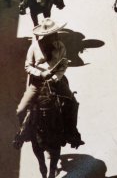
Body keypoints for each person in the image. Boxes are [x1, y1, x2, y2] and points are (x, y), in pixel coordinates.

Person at [15, 18, 83, 148]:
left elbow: (63, 65)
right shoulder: (34, 47)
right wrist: (40, 73)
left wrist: (56, 77)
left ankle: (71, 133)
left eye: (56, 33)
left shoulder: (60, 46)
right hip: (37, 83)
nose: (56, 36)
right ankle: (25, 132)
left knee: (73, 103)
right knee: (21, 109)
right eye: (53, 34)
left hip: (56, 81)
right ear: (45, 36)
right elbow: (27, 66)